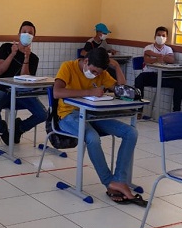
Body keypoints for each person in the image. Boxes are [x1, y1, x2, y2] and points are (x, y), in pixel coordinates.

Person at [53, 47, 145, 206]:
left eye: (98, 73)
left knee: (131, 132)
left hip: (92, 114)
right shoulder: (68, 67)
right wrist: (89, 91)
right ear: (86, 61)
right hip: (68, 115)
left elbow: (121, 89)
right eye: (93, 71)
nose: (95, 75)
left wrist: (116, 66)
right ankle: (109, 182)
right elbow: (57, 92)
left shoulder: (102, 73)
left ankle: (120, 180)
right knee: (92, 138)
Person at [0, 21, 47, 146]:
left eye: (30, 33)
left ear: (33, 37)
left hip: (22, 94)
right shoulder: (6, 47)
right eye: (24, 32)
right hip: (3, 90)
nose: (27, 35)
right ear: (19, 34)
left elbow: (25, 78)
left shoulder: (33, 58)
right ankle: (3, 130)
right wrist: (12, 54)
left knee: (43, 114)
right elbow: (0, 70)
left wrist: (26, 58)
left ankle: (19, 128)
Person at [134, 26, 182, 113]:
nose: (161, 37)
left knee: (179, 83)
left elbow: (171, 60)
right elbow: (147, 60)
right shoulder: (149, 47)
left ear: (166, 38)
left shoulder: (168, 49)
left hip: (163, 76)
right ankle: (139, 109)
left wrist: (156, 56)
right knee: (138, 80)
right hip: (149, 75)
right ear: (154, 36)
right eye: (158, 35)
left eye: (163, 35)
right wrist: (158, 57)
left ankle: (176, 111)